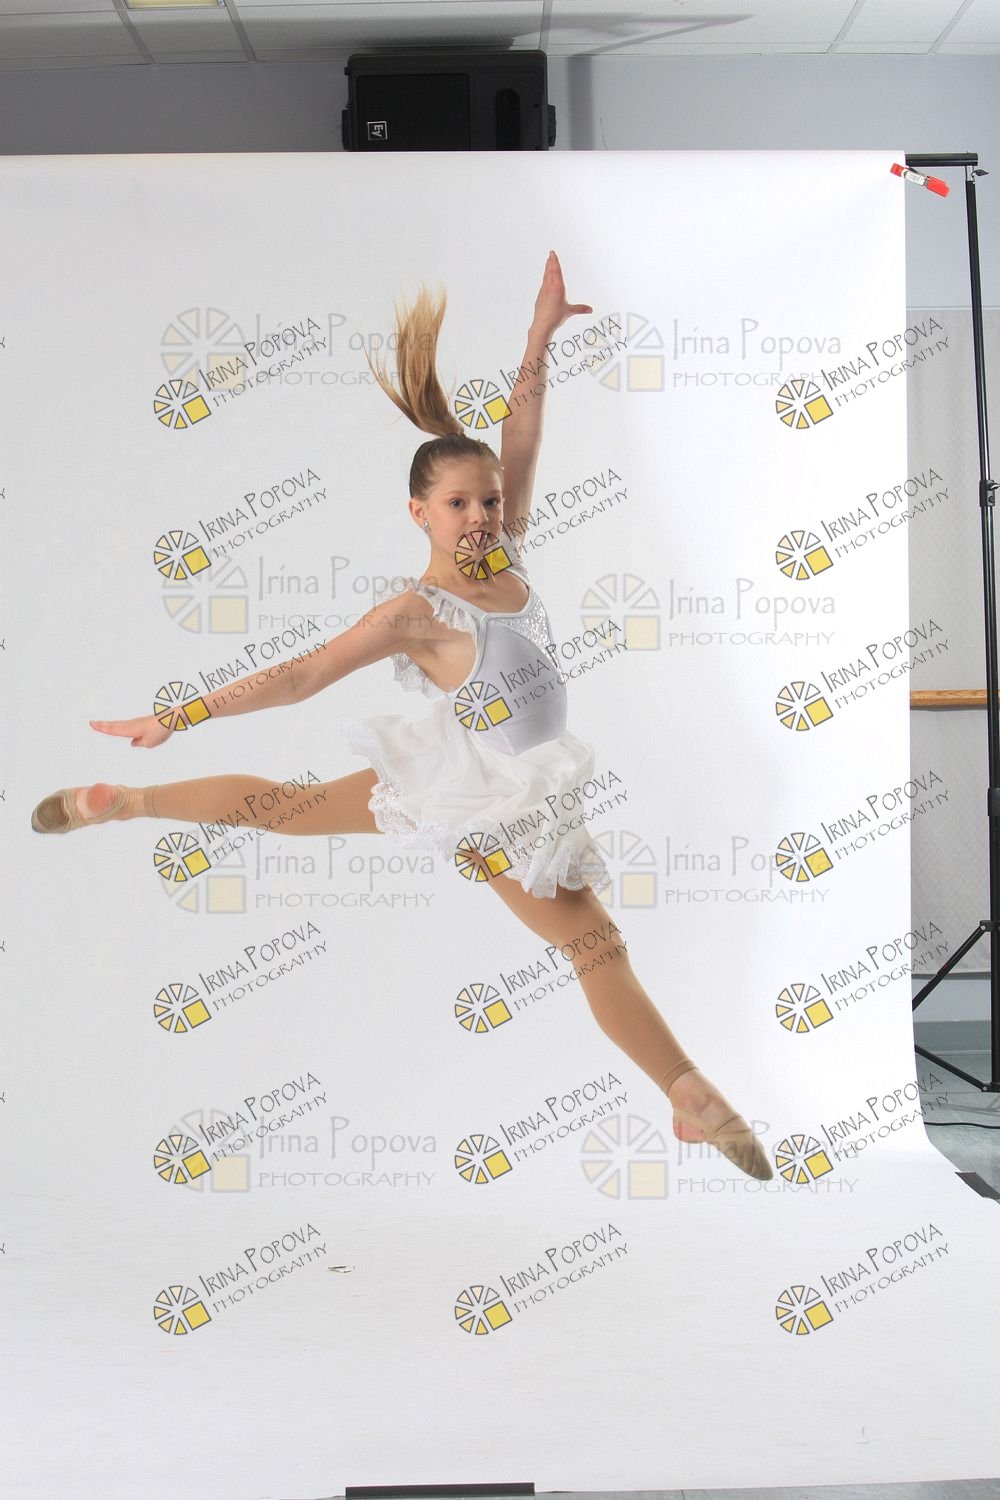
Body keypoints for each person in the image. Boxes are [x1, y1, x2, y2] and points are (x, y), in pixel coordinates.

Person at [30, 251, 772, 1182]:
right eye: (459, 504)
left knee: (287, 811)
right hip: (492, 797)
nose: (481, 516)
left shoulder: (505, 560)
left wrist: (539, 336)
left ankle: (127, 804)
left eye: (489, 501)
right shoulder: (416, 612)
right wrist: (180, 714)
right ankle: (688, 1092)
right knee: (595, 945)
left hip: (470, 769)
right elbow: (302, 677)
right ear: (419, 513)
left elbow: (523, 432)